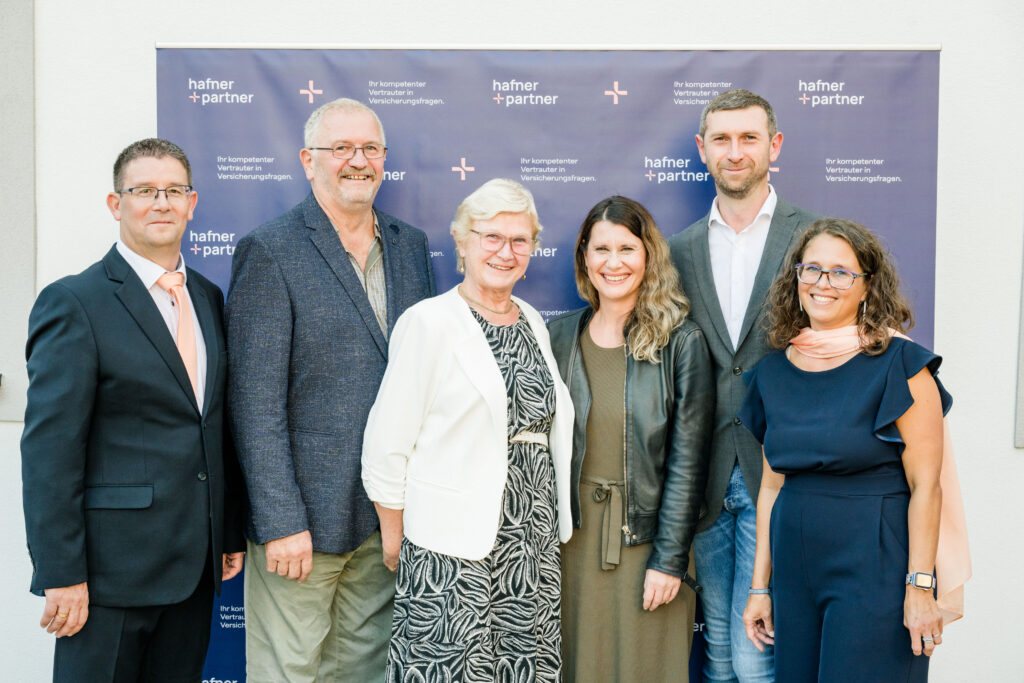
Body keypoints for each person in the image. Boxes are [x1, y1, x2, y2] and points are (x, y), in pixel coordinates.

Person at [21, 138, 245, 681]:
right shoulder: (75, 302)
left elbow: (212, 424)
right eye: (144, 190)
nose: (161, 203)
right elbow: (50, 453)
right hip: (108, 576)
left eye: (174, 191)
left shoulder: (208, 296)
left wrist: (227, 530)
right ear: (115, 204)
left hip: (194, 567)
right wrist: (61, 573)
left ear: (192, 203)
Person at [226, 98, 435, 682]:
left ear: (385, 159)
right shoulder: (271, 250)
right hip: (303, 525)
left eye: (370, 148)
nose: (357, 161)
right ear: (308, 160)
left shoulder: (411, 246)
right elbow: (254, 404)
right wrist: (280, 520)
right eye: (340, 148)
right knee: (287, 672)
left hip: (385, 519)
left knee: (363, 672)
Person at [362, 178, 574, 682]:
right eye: (491, 237)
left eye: (519, 240)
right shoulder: (428, 322)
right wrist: (395, 537)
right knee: (449, 666)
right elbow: (387, 442)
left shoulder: (531, 321)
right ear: (462, 242)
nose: (505, 251)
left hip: (531, 539)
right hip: (450, 541)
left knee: (522, 666)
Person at [738, 218, 954, 682]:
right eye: (812, 269)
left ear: (867, 286)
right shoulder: (772, 373)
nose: (823, 283)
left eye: (841, 272)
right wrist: (759, 588)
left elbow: (926, 486)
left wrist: (920, 586)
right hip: (795, 568)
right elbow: (771, 488)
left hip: (875, 562)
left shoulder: (901, 364)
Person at [668, 88, 818, 682]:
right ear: (702, 149)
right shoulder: (677, 250)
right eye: (722, 139)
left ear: (773, 146)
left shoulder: (814, 238)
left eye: (749, 138)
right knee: (721, 656)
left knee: (759, 658)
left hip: (779, 470)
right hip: (704, 475)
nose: (735, 152)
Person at [548, 196, 714, 682]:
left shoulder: (681, 342)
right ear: (584, 256)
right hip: (570, 543)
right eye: (601, 249)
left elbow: (689, 464)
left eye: (627, 248)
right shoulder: (558, 337)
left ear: (648, 256)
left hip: (646, 542)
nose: (613, 262)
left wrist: (669, 560)